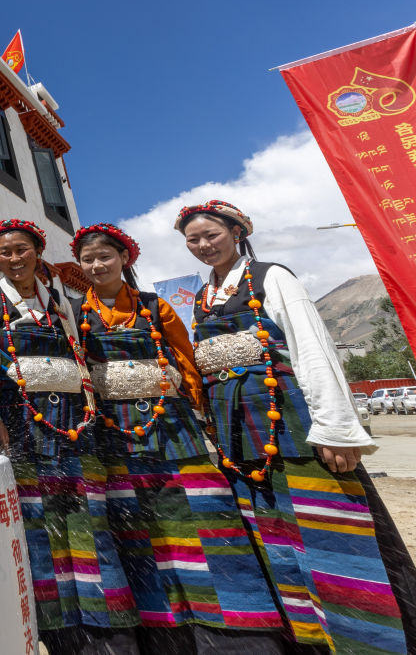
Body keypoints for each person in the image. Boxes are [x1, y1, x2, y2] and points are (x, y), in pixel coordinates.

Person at [177, 199, 415, 654]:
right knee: (276, 536)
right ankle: (307, 640)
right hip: (239, 436)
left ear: (237, 232)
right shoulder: (206, 297)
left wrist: (335, 431)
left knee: (328, 533)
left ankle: (366, 641)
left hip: (289, 424)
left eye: (212, 235)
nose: (204, 245)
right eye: (193, 240)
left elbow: (312, 349)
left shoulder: (271, 277)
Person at [70, 223, 284, 653]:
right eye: (88, 260)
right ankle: (162, 637)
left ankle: (234, 638)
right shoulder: (74, 315)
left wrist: (197, 409)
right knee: (135, 530)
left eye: (105, 257)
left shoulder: (154, 307)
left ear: (125, 258)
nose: (96, 266)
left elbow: (186, 361)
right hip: (113, 436)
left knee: (202, 518)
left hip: (172, 429)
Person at [0, 219, 141, 655]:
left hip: (72, 423)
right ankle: (60, 633)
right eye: (5, 252)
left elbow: (77, 353)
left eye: (22, 249)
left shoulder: (58, 299)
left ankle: (108, 629)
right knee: (37, 520)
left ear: (38, 252)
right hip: (20, 421)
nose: (15, 259)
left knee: (88, 515)